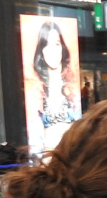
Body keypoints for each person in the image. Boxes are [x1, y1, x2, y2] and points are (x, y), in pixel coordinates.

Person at [32, 20, 79, 149]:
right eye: (46, 44)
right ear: (41, 52)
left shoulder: (72, 89)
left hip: (71, 154)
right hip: (47, 156)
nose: (52, 50)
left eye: (57, 44)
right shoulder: (36, 92)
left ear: (62, 48)